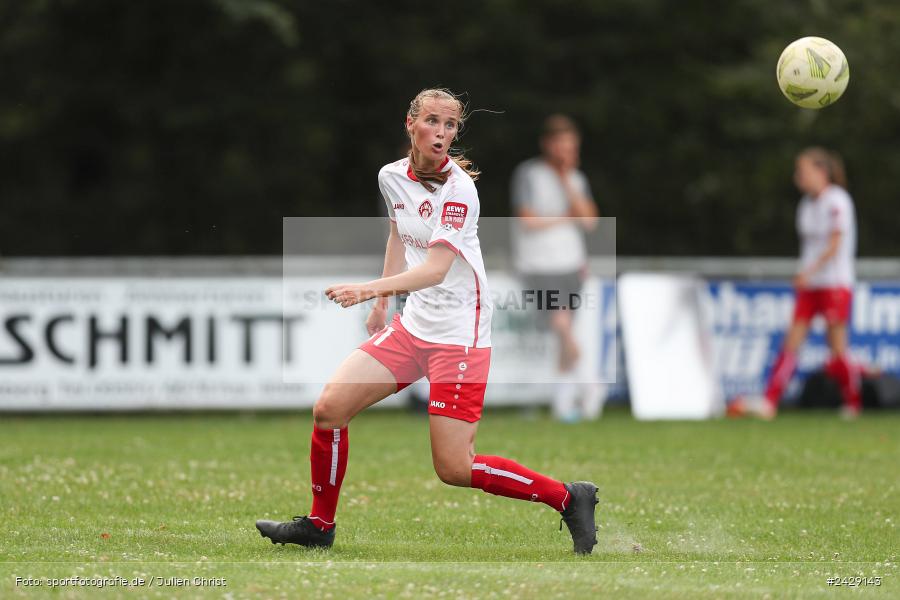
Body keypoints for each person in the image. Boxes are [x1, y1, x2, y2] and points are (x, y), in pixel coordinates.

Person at [256, 89, 599, 554]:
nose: (442, 133)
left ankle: (568, 497)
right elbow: (398, 232)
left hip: (459, 336)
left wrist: (368, 291)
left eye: (451, 125)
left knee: (454, 468)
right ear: (411, 124)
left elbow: (436, 270)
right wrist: (385, 302)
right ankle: (320, 525)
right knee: (329, 410)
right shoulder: (390, 176)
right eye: (433, 122)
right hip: (414, 326)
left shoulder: (461, 190)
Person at [732, 147, 859, 419]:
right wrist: (806, 274)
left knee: (837, 347)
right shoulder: (806, 204)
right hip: (810, 284)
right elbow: (810, 247)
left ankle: (853, 402)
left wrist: (809, 272)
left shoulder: (837, 200)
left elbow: (835, 245)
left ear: (821, 172)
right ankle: (770, 401)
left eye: (803, 171)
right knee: (792, 341)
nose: (797, 177)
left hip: (834, 283)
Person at [511, 115, 603, 422]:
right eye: (562, 144)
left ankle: (564, 404)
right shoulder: (528, 174)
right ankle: (590, 381)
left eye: (572, 145)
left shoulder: (577, 179)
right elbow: (527, 220)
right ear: (548, 144)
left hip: (571, 263)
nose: (567, 150)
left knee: (565, 330)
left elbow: (589, 220)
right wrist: (565, 217)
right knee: (561, 324)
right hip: (539, 264)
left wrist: (566, 180)